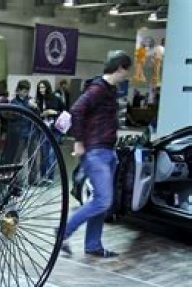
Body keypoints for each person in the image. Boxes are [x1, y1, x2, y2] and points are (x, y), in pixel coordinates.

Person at [61, 51, 132, 258]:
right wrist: (78, 141)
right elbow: (76, 110)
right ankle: (63, 232)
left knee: (100, 201)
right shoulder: (98, 89)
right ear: (120, 68)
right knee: (102, 200)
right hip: (95, 151)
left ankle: (93, 245)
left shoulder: (110, 90)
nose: (127, 75)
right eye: (126, 70)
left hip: (107, 151)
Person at [0, 79, 37, 168]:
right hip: (19, 135)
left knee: (33, 158)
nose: (25, 93)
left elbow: (37, 116)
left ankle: (33, 176)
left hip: (31, 133)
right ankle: (14, 175)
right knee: (17, 158)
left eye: (27, 91)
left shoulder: (31, 101)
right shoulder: (13, 102)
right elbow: (10, 116)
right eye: (23, 91)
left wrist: (35, 107)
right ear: (19, 90)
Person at [36, 79, 64, 183]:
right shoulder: (38, 100)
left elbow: (64, 112)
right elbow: (36, 114)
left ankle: (50, 177)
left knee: (52, 154)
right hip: (43, 129)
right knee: (44, 154)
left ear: (47, 87)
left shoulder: (55, 98)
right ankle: (43, 176)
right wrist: (41, 114)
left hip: (55, 129)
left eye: (43, 87)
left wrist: (54, 112)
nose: (41, 90)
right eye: (39, 88)